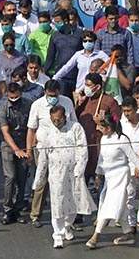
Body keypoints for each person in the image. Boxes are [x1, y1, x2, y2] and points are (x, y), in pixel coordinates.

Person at [32, 105, 92, 249]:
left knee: (74, 202)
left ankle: (67, 226)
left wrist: (79, 169)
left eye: (59, 120)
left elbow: (82, 149)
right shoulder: (48, 132)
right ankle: (57, 234)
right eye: (53, 120)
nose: (56, 123)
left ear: (65, 117)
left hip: (74, 173)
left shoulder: (75, 128)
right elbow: (43, 158)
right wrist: (39, 179)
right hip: (56, 174)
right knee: (57, 204)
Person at [85, 116, 139, 248]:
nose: (99, 129)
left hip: (121, 175)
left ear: (109, 128)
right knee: (119, 206)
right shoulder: (104, 138)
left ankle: (95, 236)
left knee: (109, 205)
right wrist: (98, 174)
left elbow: (133, 157)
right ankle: (128, 233)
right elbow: (101, 159)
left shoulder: (122, 139)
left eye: (101, 127)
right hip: (109, 175)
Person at [0, 82, 33, 225]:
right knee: (10, 177)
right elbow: (5, 132)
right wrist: (16, 149)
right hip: (8, 145)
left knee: (22, 178)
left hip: (24, 143)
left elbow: (32, 128)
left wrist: (29, 150)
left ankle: (18, 209)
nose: (14, 100)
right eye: (11, 97)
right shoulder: (3, 108)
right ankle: (7, 209)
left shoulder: (28, 105)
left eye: (16, 97)